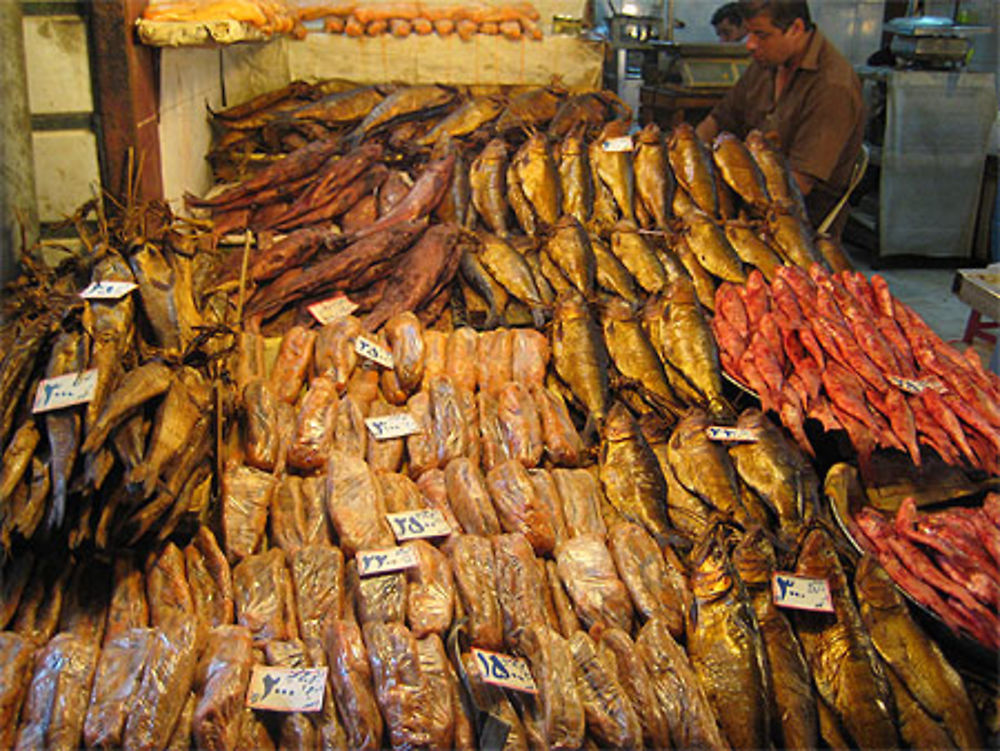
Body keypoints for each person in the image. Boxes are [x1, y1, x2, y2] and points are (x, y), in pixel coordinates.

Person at [696, 1, 864, 239]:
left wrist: (727, 200)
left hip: (798, 226)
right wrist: (686, 158)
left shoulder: (833, 86)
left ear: (795, 28)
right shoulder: (768, 63)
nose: (750, 44)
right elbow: (720, 118)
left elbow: (797, 185)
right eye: (749, 32)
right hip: (746, 202)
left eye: (761, 34)